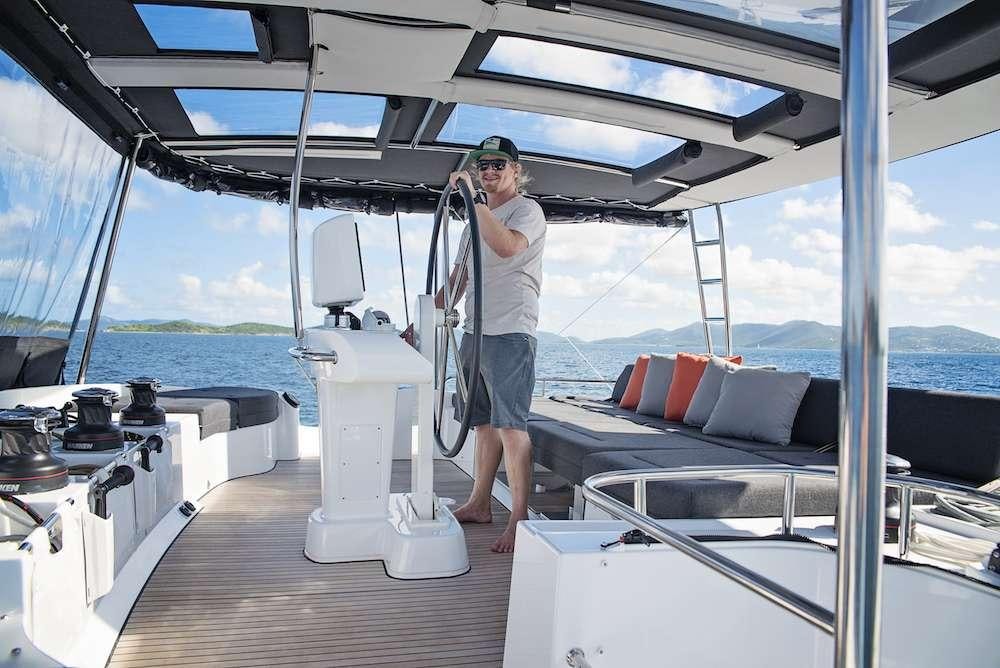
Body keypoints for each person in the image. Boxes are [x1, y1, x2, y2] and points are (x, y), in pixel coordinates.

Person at [427, 136, 546, 553]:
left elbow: (507, 246)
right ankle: (479, 503)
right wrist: (420, 322)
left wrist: (476, 200)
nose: (490, 171)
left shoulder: (527, 211)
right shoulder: (470, 224)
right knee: (481, 423)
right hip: (474, 333)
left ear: (516, 170)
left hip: (511, 331)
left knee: (511, 426)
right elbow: (458, 280)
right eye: (484, 166)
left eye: (499, 164)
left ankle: (519, 518)